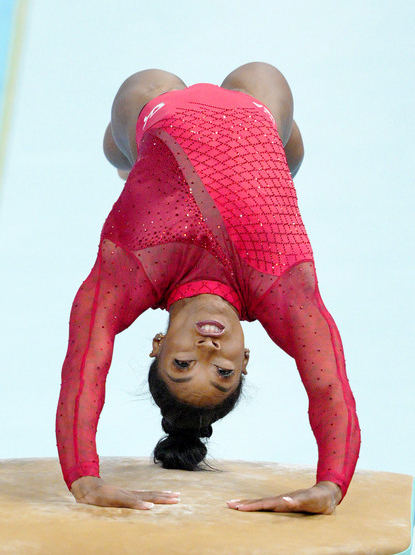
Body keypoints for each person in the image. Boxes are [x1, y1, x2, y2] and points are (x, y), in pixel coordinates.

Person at [56, 62, 360, 515]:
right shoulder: (283, 294)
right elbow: (330, 386)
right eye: (223, 372)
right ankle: (280, 153)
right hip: (259, 111)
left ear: (157, 345)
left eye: (183, 364)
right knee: (265, 85)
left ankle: (128, 160)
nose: (208, 348)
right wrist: (332, 484)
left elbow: (84, 368)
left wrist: (83, 477)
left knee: (141, 97)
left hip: (155, 107)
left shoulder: (128, 277)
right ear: (246, 360)